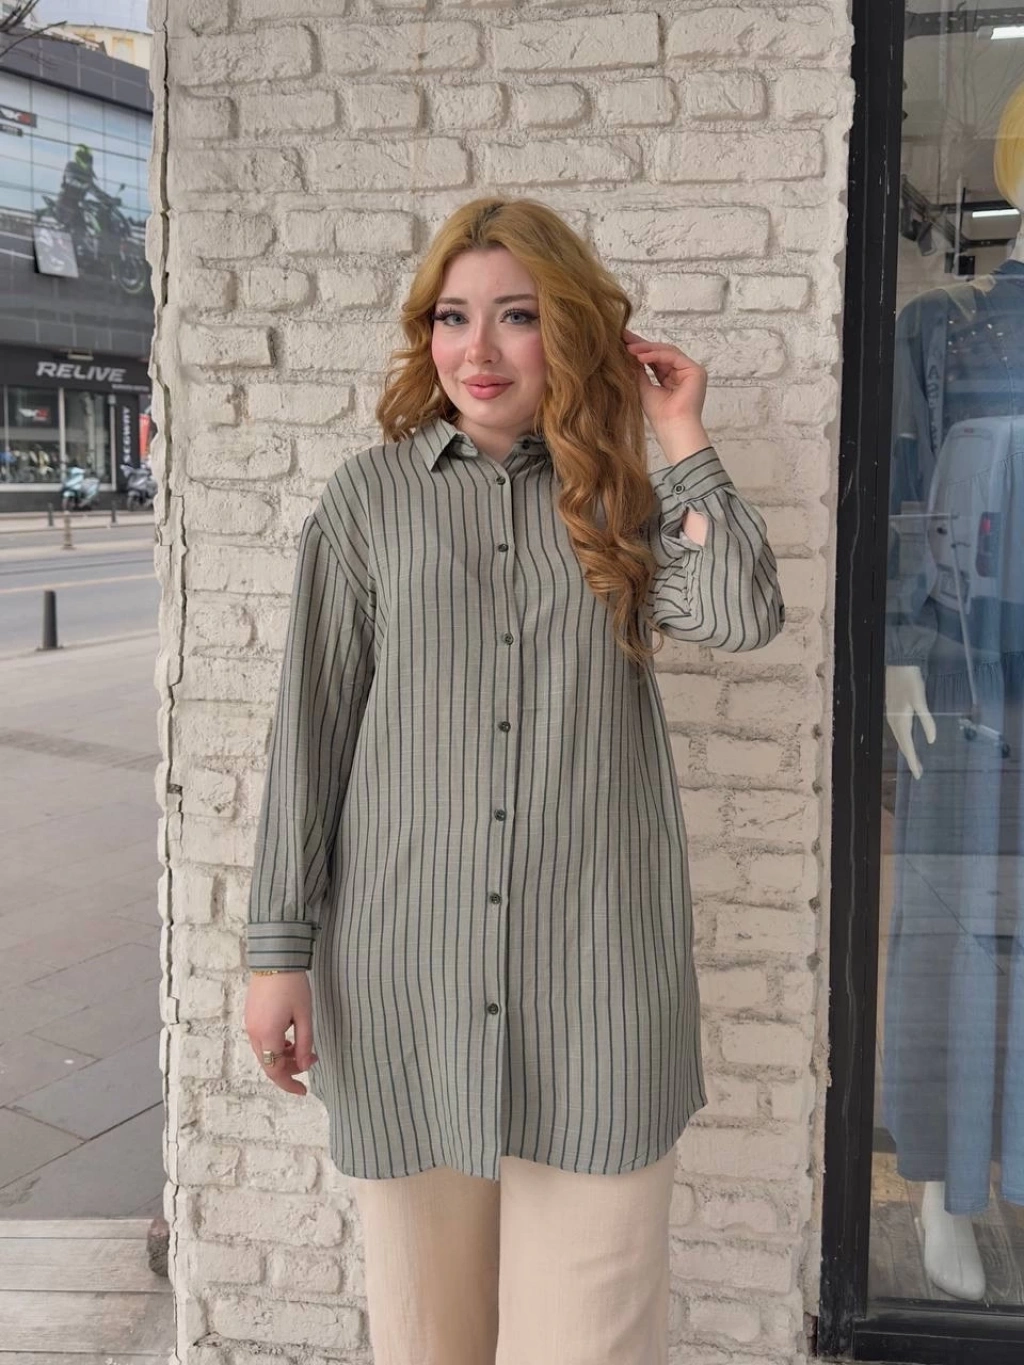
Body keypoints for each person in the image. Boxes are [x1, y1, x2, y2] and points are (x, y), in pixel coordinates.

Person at [243, 195, 784, 1364]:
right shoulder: (369, 501)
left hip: (594, 989)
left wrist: (679, 430)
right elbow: (311, 734)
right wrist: (277, 954)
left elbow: (741, 615)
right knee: (425, 1336)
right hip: (406, 985)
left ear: (571, 331)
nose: (478, 350)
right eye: (453, 316)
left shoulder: (621, 500)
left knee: (589, 1339)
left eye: (518, 316)